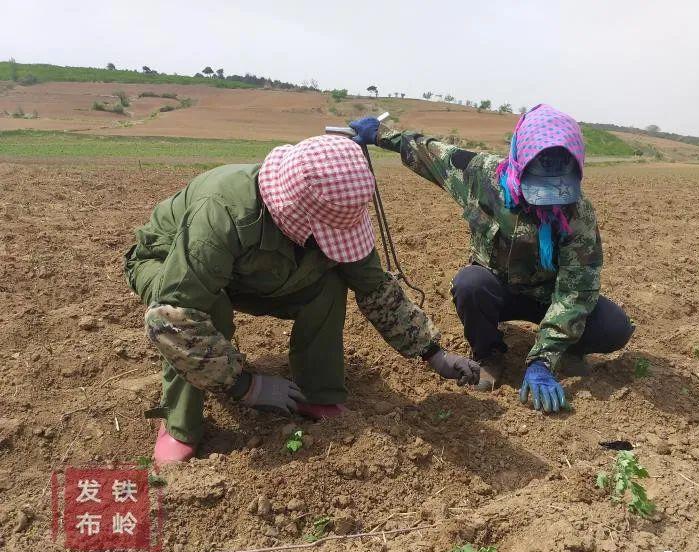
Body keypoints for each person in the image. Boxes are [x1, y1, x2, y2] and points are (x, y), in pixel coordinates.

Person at [124, 135, 479, 465]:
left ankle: (317, 392)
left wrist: (434, 353)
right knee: (207, 307)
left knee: (327, 283)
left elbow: (375, 287)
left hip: (251, 273)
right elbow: (174, 315)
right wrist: (248, 387)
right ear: (296, 211)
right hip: (169, 264)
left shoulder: (337, 208)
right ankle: (179, 422)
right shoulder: (222, 211)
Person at [349, 104, 634, 413]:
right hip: (497, 290)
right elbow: (431, 153)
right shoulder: (482, 175)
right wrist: (380, 135)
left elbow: (576, 292)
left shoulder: (579, 213)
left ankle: (567, 349)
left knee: (613, 327)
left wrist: (543, 359)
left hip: (549, 297)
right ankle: (490, 354)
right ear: (520, 159)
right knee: (470, 284)